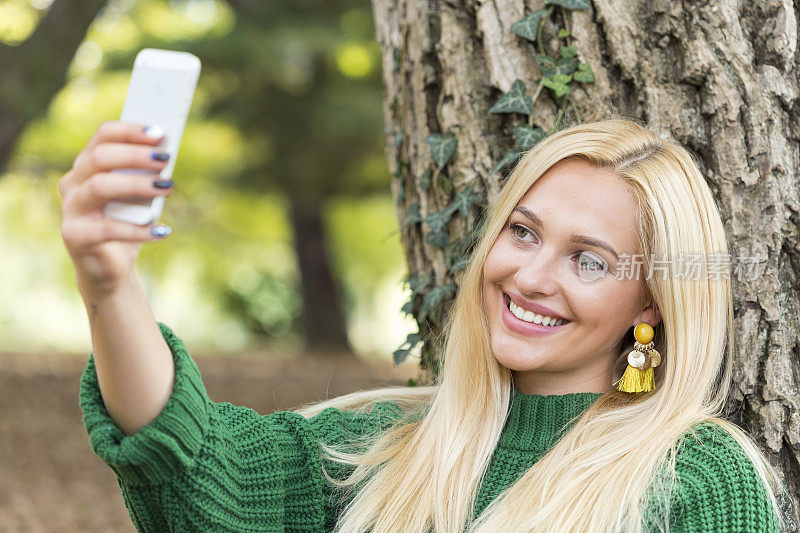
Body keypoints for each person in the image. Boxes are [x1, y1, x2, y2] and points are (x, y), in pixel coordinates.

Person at [60, 116, 790, 532]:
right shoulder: (379, 447)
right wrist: (108, 284)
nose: (531, 276)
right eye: (525, 232)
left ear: (651, 305)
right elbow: (193, 458)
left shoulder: (696, 477)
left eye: (589, 261)